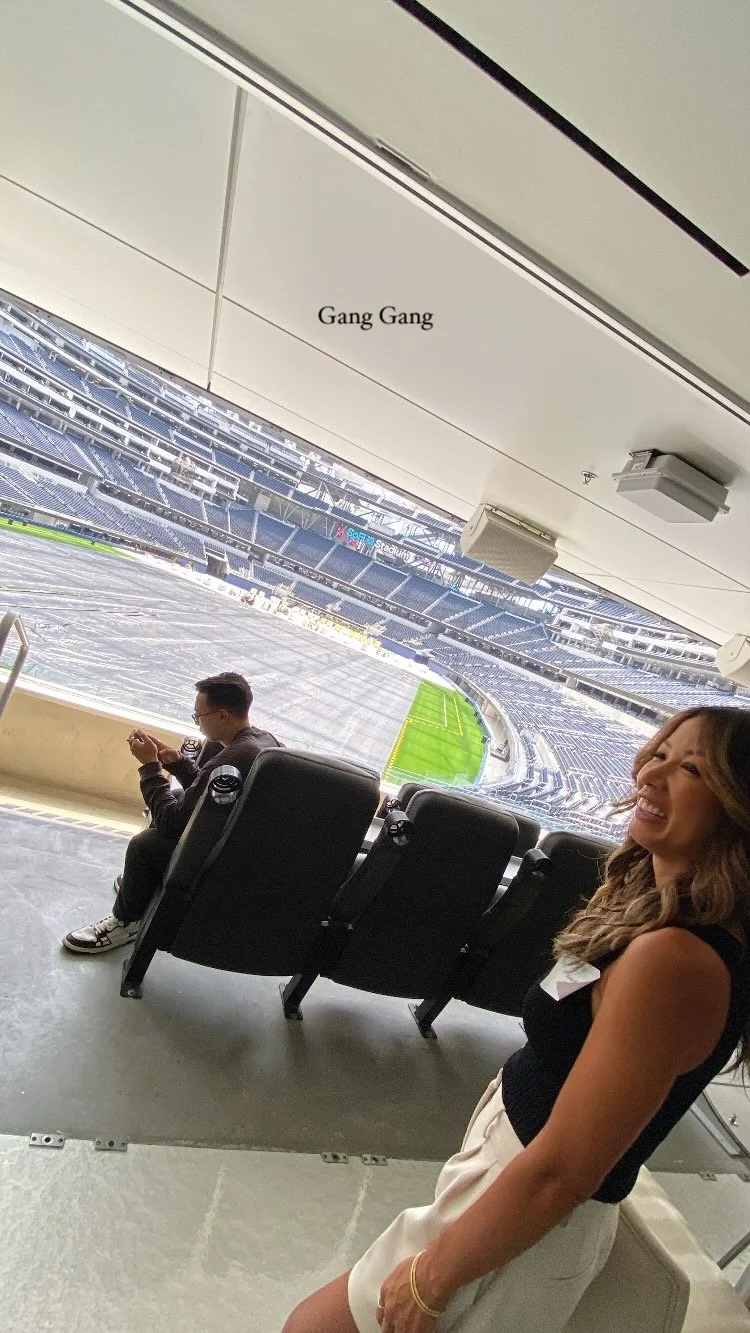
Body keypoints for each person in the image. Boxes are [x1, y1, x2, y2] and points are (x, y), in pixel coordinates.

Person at [283, 705, 750, 1333]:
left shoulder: (674, 961)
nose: (651, 775)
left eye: (691, 769)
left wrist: (434, 1276)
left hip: (524, 1220)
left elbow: (566, 1170)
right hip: (504, 1188)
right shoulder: (654, 913)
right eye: (659, 754)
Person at [63, 671, 281, 954]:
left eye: (198, 716)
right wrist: (177, 763)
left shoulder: (234, 755)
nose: (197, 723)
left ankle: (126, 922)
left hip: (226, 861)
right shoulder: (261, 740)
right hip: (243, 841)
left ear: (222, 716)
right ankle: (139, 886)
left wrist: (149, 768)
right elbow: (211, 794)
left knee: (146, 846)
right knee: (176, 797)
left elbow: (171, 823)